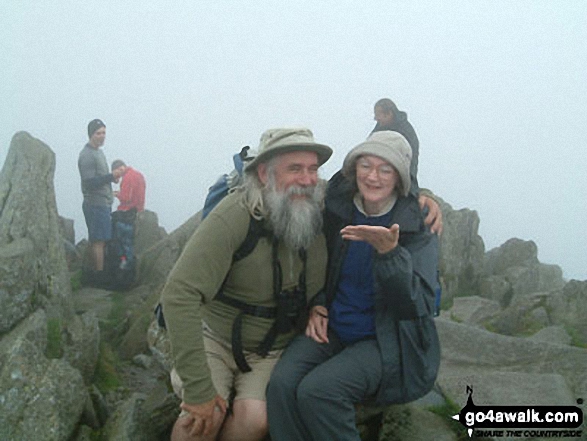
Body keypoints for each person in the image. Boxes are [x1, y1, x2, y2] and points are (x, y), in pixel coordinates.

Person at [266, 131, 440, 441]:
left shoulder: (416, 227)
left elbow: (418, 306)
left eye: (385, 169)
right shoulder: (336, 207)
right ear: (353, 170)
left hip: (385, 339)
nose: (373, 177)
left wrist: (389, 255)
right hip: (333, 326)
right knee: (280, 384)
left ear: (399, 178)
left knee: (319, 392)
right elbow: (317, 264)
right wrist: (317, 302)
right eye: (365, 165)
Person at [160, 127, 333, 441]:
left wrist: (424, 198)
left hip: (271, 350)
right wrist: (199, 389)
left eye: (313, 169)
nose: (308, 179)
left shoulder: (317, 210)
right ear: (265, 173)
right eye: (295, 169)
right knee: (203, 416)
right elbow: (179, 293)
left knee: (255, 421)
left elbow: (376, 186)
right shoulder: (235, 214)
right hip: (215, 339)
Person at [371, 98, 443, 234]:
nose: (375, 118)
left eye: (378, 114)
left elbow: (410, 163)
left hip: (403, 181)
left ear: (389, 114)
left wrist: (409, 188)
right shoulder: (381, 128)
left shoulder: (405, 132)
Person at [78, 119, 123, 286]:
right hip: (95, 203)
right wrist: (111, 176)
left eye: (104, 132)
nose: (102, 136)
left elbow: (101, 178)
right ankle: (99, 277)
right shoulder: (87, 155)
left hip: (103, 202)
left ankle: (94, 274)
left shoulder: (99, 152)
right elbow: (89, 182)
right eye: (98, 133)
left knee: (99, 239)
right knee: (99, 241)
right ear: (91, 134)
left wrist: (113, 178)